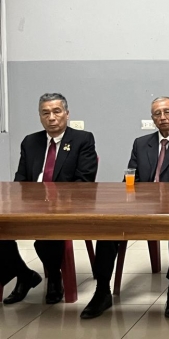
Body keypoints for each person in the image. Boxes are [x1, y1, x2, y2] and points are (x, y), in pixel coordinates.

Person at [80, 96, 169, 319]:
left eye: (167, 112)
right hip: (142, 207)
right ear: (152, 119)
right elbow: (131, 178)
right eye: (157, 114)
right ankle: (102, 291)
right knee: (107, 226)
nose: (163, 117)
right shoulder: (141, 143)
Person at [0, 93, 98, 306]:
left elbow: (84, 182)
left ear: (67, 114)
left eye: (56, 111)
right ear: (40, 116)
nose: (51, 118)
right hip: (31, 204)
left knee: (47, 234)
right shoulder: (30, 141)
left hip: (65, 207)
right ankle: (24, 274)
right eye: (45, 113)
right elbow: (21, 180)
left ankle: (54, 278)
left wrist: (53, 201)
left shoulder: (83, 140)